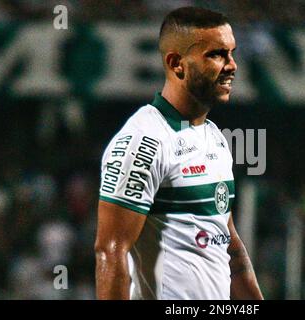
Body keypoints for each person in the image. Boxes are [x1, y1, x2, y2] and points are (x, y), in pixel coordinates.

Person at [95, 6, 263, 300]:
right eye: (216, 54)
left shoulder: (214, 137)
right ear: (177, 64)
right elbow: (110, 252)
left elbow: (228, 244)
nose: (232, 65)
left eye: (232, 53)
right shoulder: (144, 141)